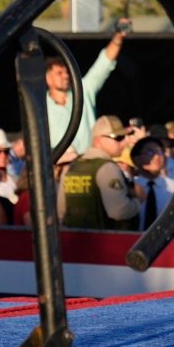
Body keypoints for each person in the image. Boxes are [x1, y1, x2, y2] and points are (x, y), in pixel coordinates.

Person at [46, 20, 130, 157]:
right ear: (47, 78)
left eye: (67, 72)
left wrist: (119, 37)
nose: (66, 76)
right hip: (58, 163)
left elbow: (104, 64)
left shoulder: (83, 90)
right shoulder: (39, 105)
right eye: (59, 73)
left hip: (89, 160)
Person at [59, 116, 140, 230]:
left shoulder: (72, 166)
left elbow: (61, 211)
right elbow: (119, 211)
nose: (124, 142)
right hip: (105, 240)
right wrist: (138, 200)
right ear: (98, 140)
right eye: (118, 137)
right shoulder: (108, 168)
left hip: (73, 241)